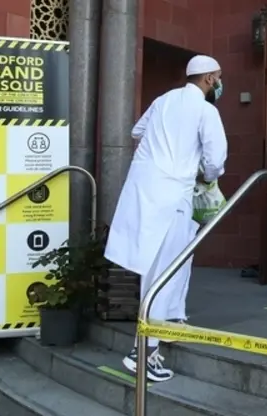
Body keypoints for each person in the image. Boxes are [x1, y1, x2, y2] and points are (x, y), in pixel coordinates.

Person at [104, 55, 228, 381]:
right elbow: (216, 162)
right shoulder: (206, 110)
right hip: (175, 196)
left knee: (158, 266)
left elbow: (136, 131)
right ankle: (143, 352)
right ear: (208, 79)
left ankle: (170, 321)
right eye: (217, 77)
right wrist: (201, 169)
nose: (219, 83)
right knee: (166, 271)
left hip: (145, 192)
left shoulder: (163, 100)